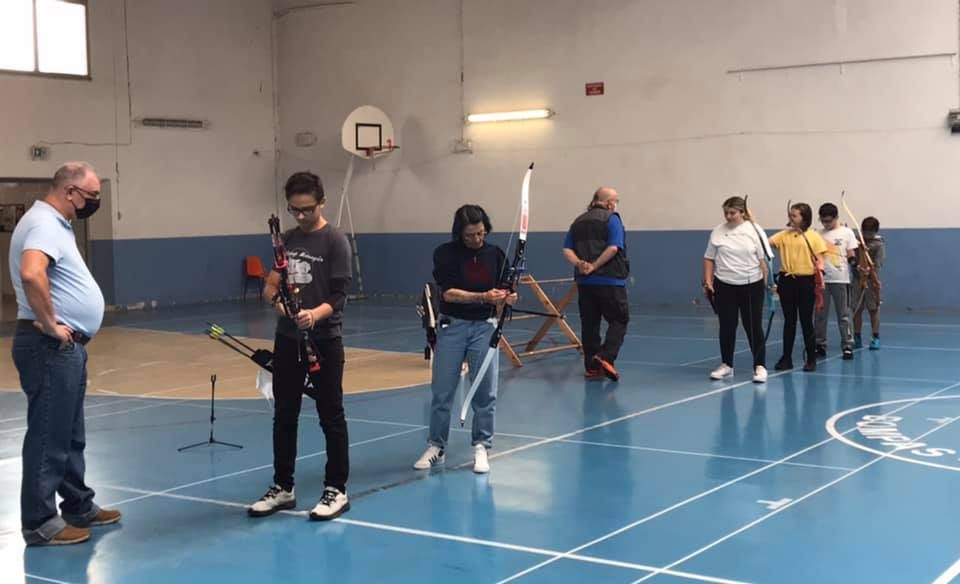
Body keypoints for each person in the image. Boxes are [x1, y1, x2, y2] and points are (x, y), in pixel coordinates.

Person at [10, 162, 121, 546]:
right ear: (69, 191)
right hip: (49, 346)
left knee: (70, 433)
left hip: (65, 348)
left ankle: (78, 504)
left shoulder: (57, 224)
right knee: (49, 435)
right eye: (91, 196)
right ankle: (40, 522)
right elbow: (32, 273)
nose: (94, 203)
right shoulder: (44, 223)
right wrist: (50, 323)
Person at [248, 171, 353, 521]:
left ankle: (336, 489)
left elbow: (339, 295)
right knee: (284, 415)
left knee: (331, 416)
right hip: (287, 340)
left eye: (308, 209)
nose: (301, 216)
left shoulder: (335, 241)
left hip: (324, 340)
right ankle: (283, 487)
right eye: (295, 209)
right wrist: (279, 304)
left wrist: (314, 314)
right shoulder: (287, 240)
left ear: (322, 202)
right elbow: (271, 286)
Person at [413, 205, 515, 474]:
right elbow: (448, 294)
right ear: (459, 233)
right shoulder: (445, 254)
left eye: (481, 233)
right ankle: (437, 445)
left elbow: (506, 288)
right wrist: (483, 297)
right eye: (470, 235)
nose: (476, 239)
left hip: (485, 327)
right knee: (442, 390)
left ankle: (482, 445)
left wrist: (508, 297)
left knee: (485, 391)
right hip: (453, 327)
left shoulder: (496, 254)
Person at [562, 187, 630, 381]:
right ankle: (605, 356)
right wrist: (594, 265)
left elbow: (567, 249)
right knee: (619, 319)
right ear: (609, 203)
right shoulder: (612, 219)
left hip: (585, 283)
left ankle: (592, 367)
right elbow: (613, 248)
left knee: (590, 323)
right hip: (610, 280)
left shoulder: (578, 221)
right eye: (615, 201)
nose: (615, 204)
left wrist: (580, 264)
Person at [702, 196, 772, 384]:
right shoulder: (718, 231)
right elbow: (709, 257)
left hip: (751, 284)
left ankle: (760, 366)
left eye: (732, 213)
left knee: (753, 325)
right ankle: (727, 365)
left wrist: (767, 284)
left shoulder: (755, 230)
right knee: (726, 325)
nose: (728, 216)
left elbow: (764, 261)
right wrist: (708, 281)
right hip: (724, 284)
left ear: (742, 212)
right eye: (726, 213)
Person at [769, 202, 828, 372]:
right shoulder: (783, 235)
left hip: (806, 282)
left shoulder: (814, 236)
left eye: (794, 215)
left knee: (806, 321)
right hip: (787, 281)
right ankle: (786, 358)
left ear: (804, 218)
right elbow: (765, 244)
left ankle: (811, 359)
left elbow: (820, 260)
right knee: (789, 321)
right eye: (790, 215)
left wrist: (820, 273)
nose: (791, 218)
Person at [814, 203, 858, 360]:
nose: (826, 224)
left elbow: (851, 252)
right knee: (820, 314)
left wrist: (854, 262)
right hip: (822, 280)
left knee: (844, 314)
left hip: (841, 279)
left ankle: (847, 345)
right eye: (823, 221)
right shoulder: (817, 234)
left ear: (836, 218)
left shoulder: (846, 232)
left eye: (829, 221)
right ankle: (820, 344)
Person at [852, 216, 884, 350]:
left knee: (873, 309)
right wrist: (858, 267)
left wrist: (870, 271)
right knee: (856, 309)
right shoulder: (856, 242)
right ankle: (857, 337)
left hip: (872, 280)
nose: (867, 235)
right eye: (865, 232)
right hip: (857, 279)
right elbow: (852, 258)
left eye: (870, 233)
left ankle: (875, 337)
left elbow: (878, 263)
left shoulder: (878, 244)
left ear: (875, 232)